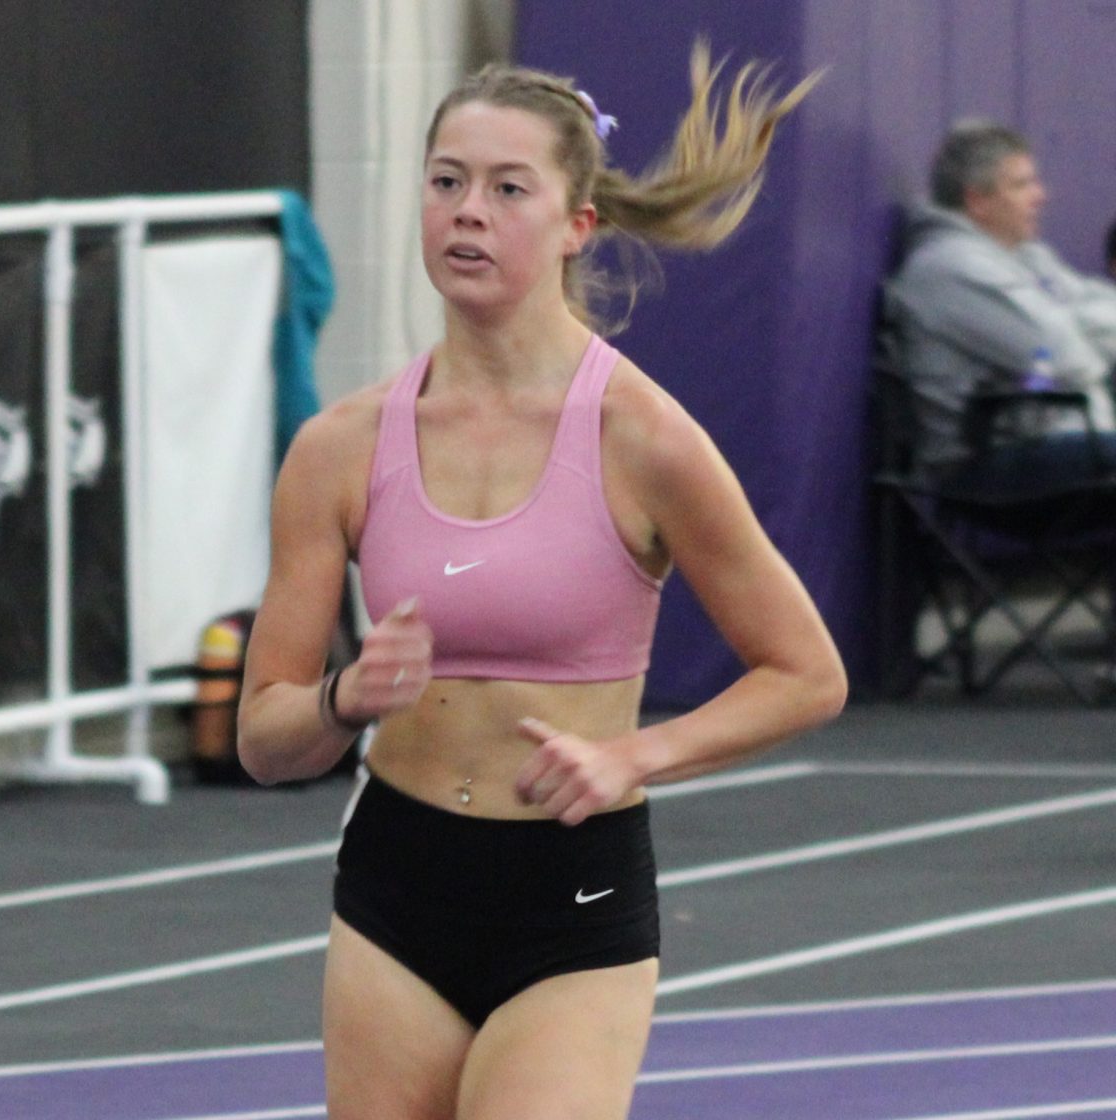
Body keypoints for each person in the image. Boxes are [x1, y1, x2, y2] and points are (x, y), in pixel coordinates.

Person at [237, 42, 846, 1120]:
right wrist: (344, 697)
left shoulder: (644, 437)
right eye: (446, 181)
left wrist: (633, 755)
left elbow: (806, 673)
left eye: (508, 188)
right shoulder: (339, 447)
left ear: (577, 226)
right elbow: (264, 737)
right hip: (398, 883)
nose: (468, 211)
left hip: (573, 897)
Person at [886, 119, 1116, 498]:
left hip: (1060, 432)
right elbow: (1066, 356)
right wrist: (1075, 333)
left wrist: (1068, 323)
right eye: (1022, 184)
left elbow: (1095, 303)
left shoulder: (1025, 255)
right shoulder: (949, 267)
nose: (1041, 196)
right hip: (983, 461)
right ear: (977, 200)